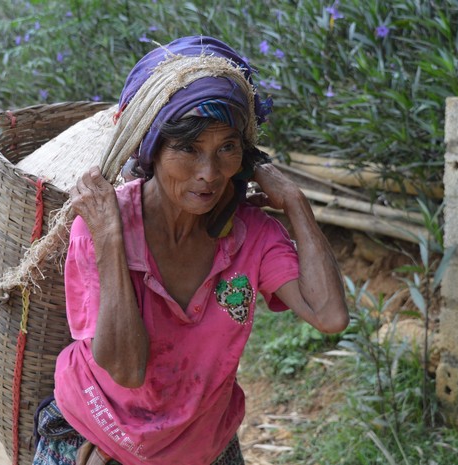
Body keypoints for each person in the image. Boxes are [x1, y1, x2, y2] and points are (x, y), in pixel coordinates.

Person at [32, 35, 349, 465]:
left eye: (227, 149)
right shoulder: (106, 224)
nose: (209, 173)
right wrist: (110, 239)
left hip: (202, 445)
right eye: (187, 148)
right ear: (152, 149)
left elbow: (328, 315)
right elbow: (126, 370)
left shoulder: (251, 234)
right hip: (96, 437)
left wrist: (296, 203)